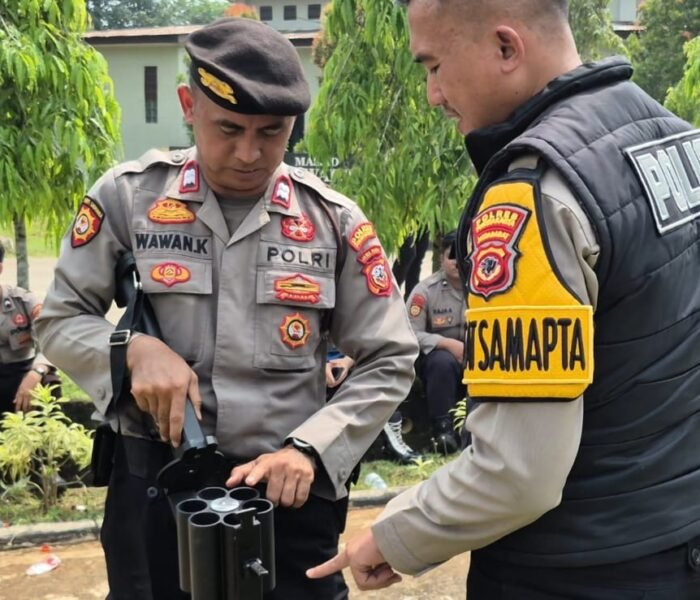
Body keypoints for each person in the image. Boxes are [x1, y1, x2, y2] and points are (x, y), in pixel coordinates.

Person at [306, 0, 700, 597]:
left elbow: (518, 471)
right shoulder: (674, 138)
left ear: (506, 48)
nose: (433, 95)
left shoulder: (532, 195)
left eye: (434, 66)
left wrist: (396, 532)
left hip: (575, 569)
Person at [35, 18, 418, 600]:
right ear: (189, 106)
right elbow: (60, 319)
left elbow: (390, 358)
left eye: (272, 132)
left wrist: (312, 449)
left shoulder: (333, 222)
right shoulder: (129, 198)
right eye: (229, 128)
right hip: (157, 490)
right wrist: (133, 351)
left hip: (287, 497)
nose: (248, 153)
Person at [405, 230, 465, 454]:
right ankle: (443, 431)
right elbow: (409, 333)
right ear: (442, 259)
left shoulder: (483, 288)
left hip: (475, 356)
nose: (458, 262)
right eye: (452, 256)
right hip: (435, 361)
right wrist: (447, 344)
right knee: (442, 362)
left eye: (464, 255)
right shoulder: (425, 291)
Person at [326, 349, 420, 465]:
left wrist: (347, 362)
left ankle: (393, 444)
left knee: (375, 382)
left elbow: (367, 345)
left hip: (353, 363)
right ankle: (393, 446)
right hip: (315, 371)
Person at [0, 241, 58, 416]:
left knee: (49, 382)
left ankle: (47, 432)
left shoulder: (24, 302)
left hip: (22, 370)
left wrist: (36, 372)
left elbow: (52, 340)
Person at [392, 229, 430, 299]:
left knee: (419, 253)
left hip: (423, 223)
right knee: (408, 252)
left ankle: (411, 297)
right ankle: (392, 290)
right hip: (405, 224)